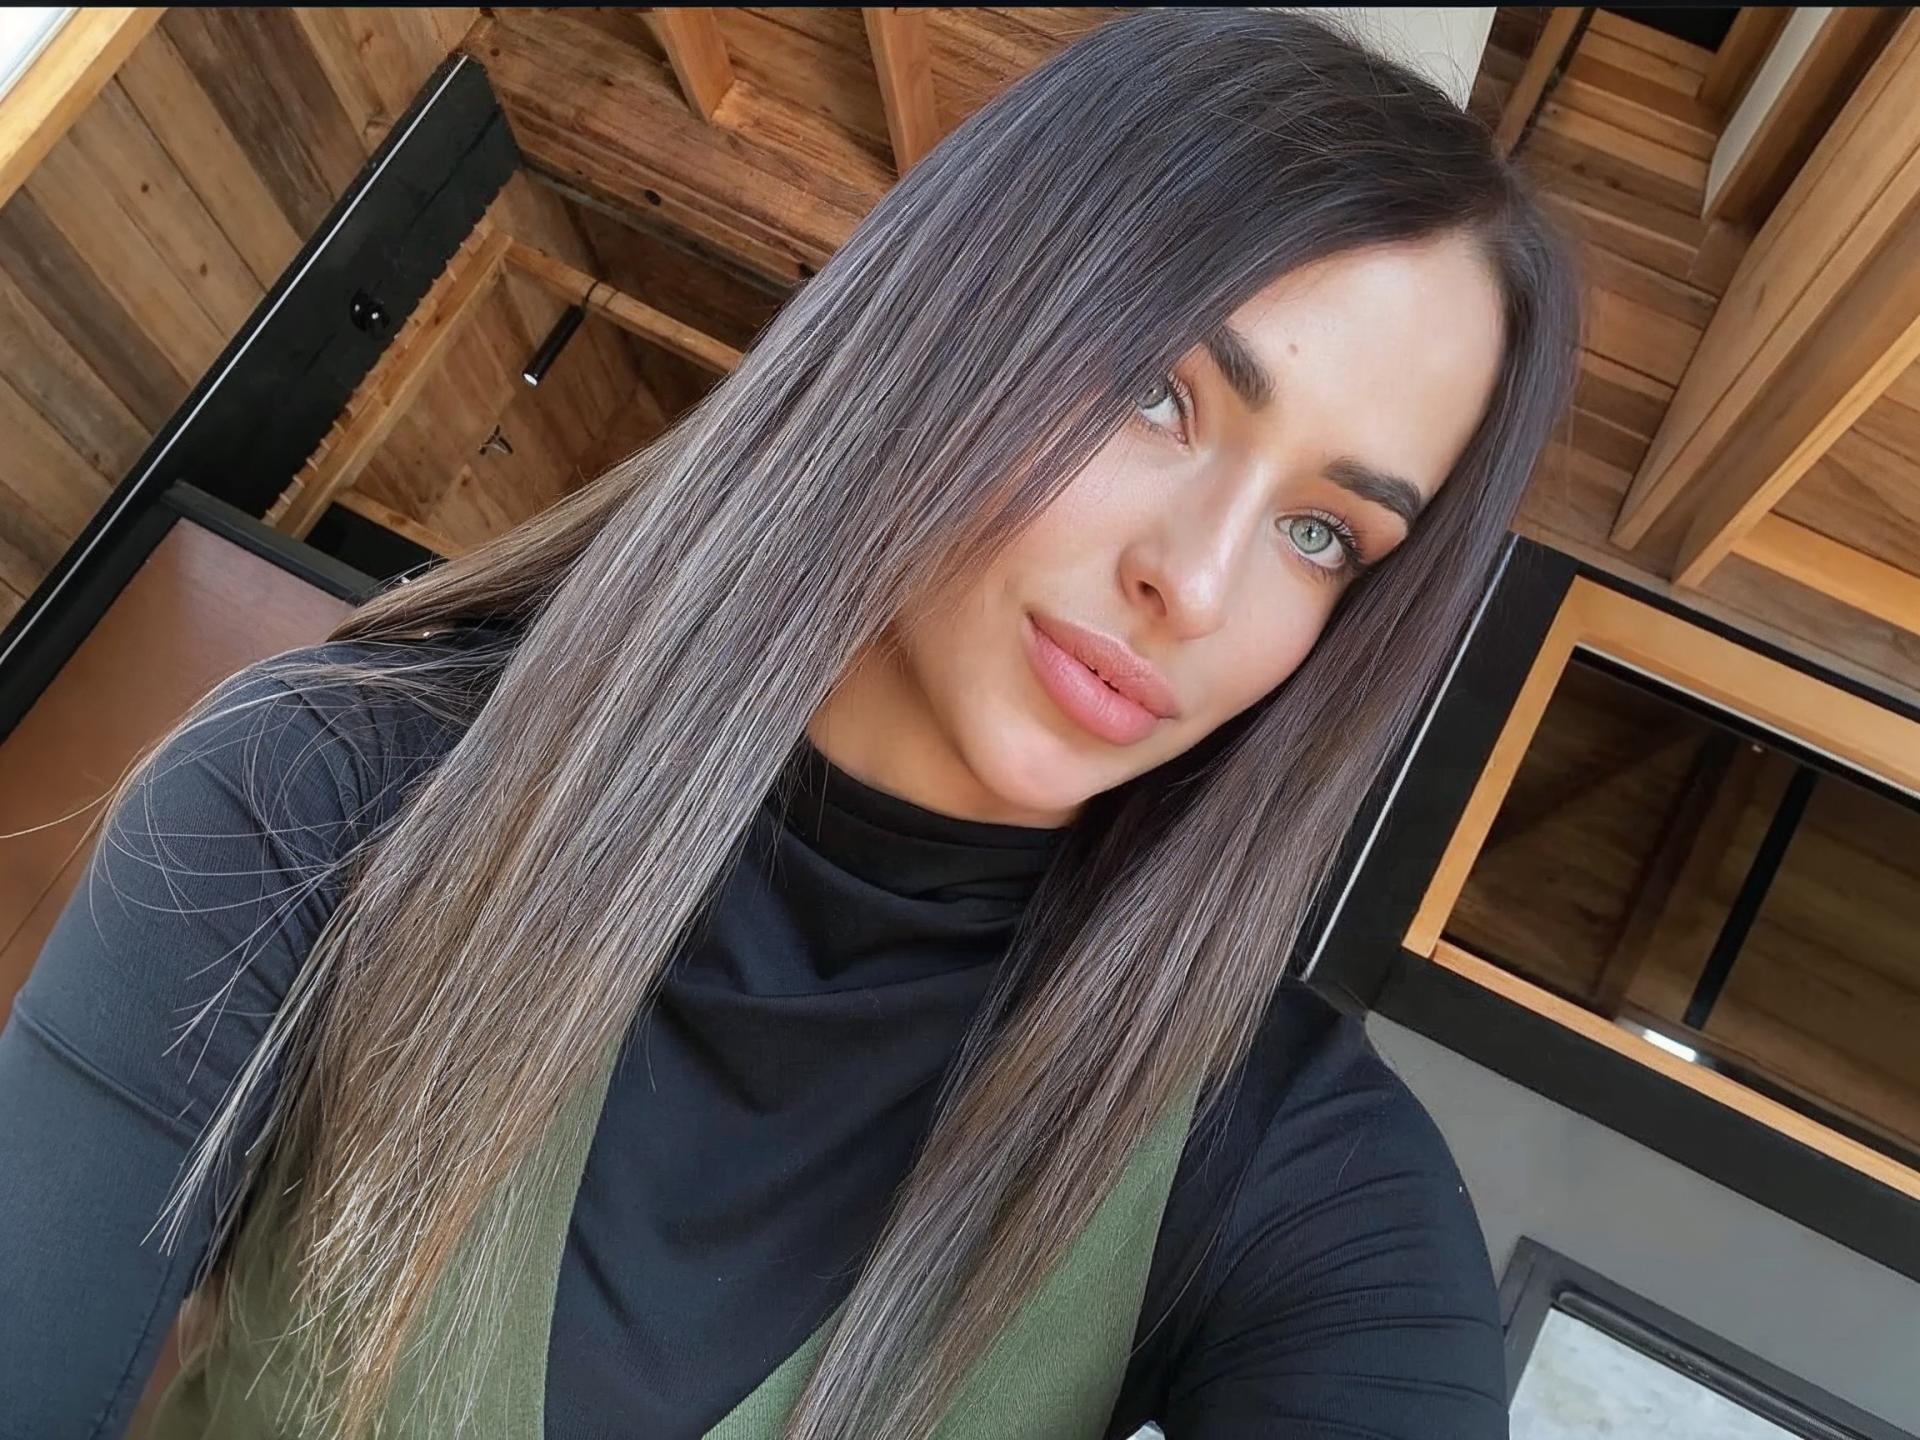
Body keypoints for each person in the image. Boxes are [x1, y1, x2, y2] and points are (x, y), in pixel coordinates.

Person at [0, 9, 1580, 1438]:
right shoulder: (328, 785)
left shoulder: (1290, 1169)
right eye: (1154, 393)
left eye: (1323, 533)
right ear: (956, 312)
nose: (1200, 582)